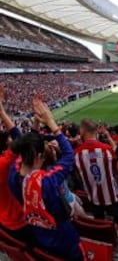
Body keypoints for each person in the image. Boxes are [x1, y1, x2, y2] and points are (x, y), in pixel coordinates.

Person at [8, 96, 85, 260]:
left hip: (40, 235)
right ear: (39, 156)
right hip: (64, 239)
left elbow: (26, 146)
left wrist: (36, 122)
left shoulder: (13, 174)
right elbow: (69, 154)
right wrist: (51, 123)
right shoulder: (48, 181)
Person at [74, 119, 118, 223]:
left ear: (82, 131)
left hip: (93, 196)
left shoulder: (77, 153)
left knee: (99, 222)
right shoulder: (106, 149)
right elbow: (116, 168)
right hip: (111, 194)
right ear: (96, 131)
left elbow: (78, 174)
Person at [0, 86, 32, 243]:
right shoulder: (3, 164)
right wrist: (2, 113)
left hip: (3, 222)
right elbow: (20, 140)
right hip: (19, 222)